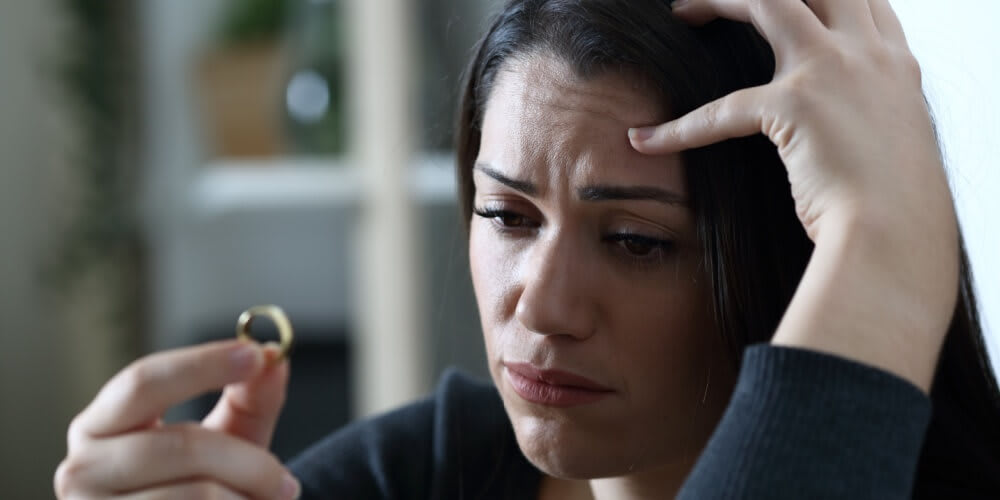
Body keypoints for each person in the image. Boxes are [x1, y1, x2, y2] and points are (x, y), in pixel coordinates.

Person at [54, 0, 1000, 499]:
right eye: (506, 217)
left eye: (636, 241)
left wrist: (886, 239)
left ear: (797, 260)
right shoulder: (433, 468)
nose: (540, 306)